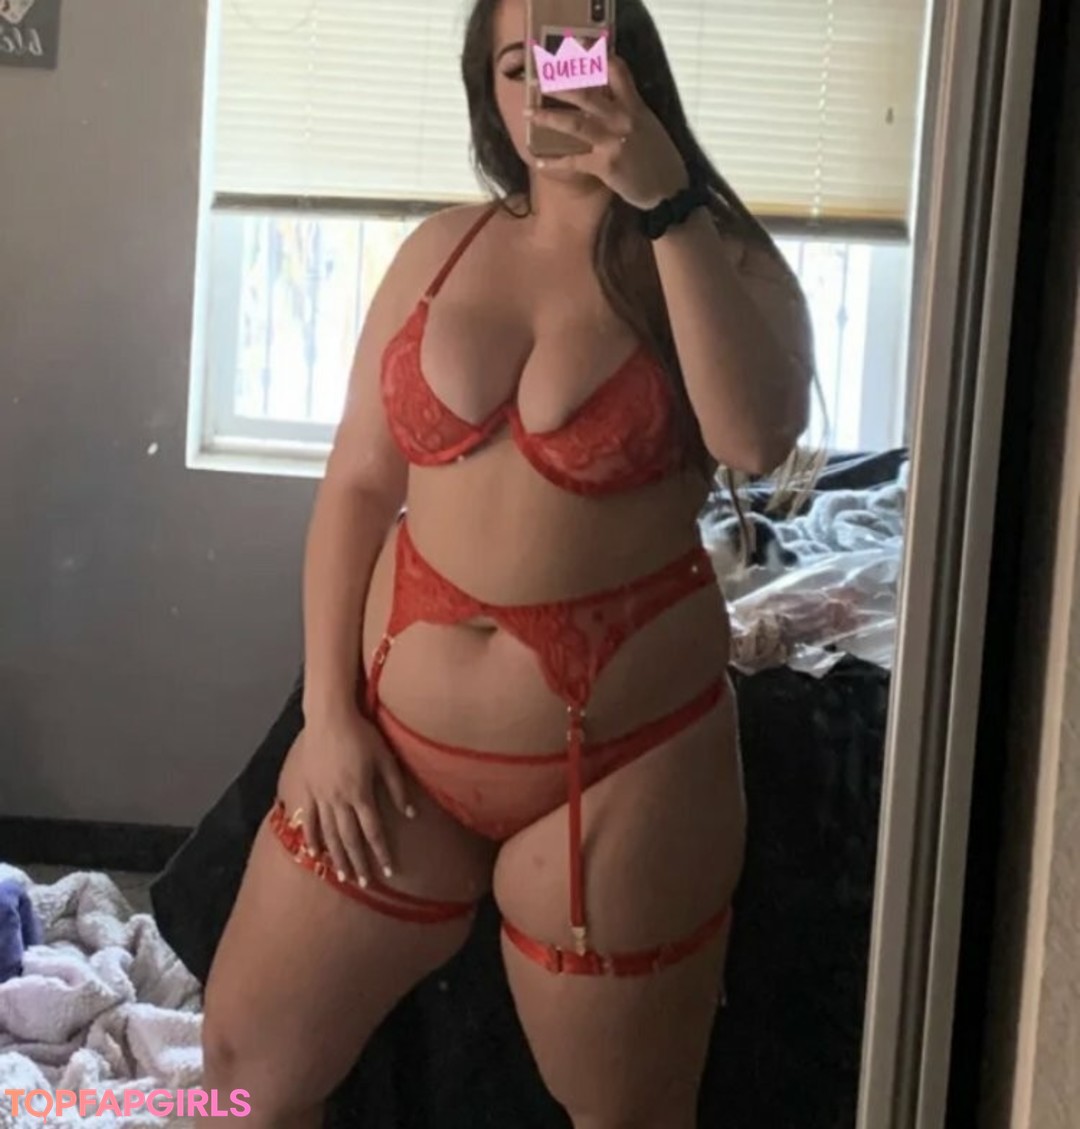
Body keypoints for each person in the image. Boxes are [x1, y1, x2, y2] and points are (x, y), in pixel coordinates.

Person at [199, 0, 813, 1125]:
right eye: (516, 67)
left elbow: (755, 438)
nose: (546, 90)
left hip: (621, 770)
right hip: (395, 751)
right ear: (489, 95)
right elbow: (358, 486)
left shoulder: (720, 259)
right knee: (240, 1075)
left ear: (629, 67)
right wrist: (326, 715)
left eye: (573, 58)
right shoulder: (440, 250)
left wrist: (666, 201)